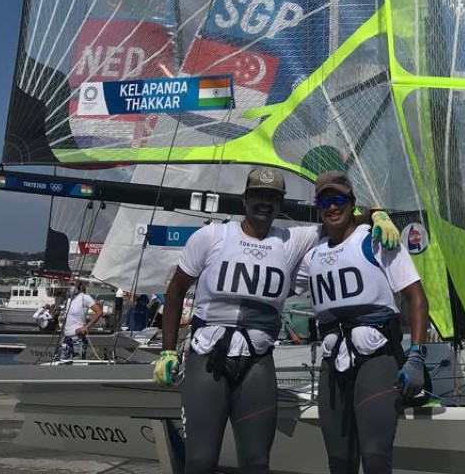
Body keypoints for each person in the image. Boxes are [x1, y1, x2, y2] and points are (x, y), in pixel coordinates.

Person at [153, 167, 400, 474]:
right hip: (207, 358)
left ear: (280, 203)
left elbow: (341, 219)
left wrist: (377, 214)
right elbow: (175, 291)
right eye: (258, 195)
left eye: (272, 197)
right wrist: (168, 350)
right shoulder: (212, 235)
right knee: (200, 462)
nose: (264, 202)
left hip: (256, 361)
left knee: (257, 464)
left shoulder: (291, 240)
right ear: (244, 198)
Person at [299, 171, 429, 474]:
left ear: (352, 202)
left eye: (339, 199)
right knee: (339, 464)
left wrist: (416, 357)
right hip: (333, 364)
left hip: (376, 359)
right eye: (325, 201)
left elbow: (417, 298)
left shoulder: (378, 240)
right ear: (317, 206)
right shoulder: (312, 256)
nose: (332, 207)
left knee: (375, 461)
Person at [54, 282, 103, 361]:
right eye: (69, 284)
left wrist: (85, 328)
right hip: (66, 337)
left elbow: (99, 312)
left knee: (77, 365)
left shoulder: (85, 297)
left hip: (77, 338)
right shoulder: (69, 300)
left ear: (79, 285)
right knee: (58, 362)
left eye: (73, 284)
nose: (70, 286)